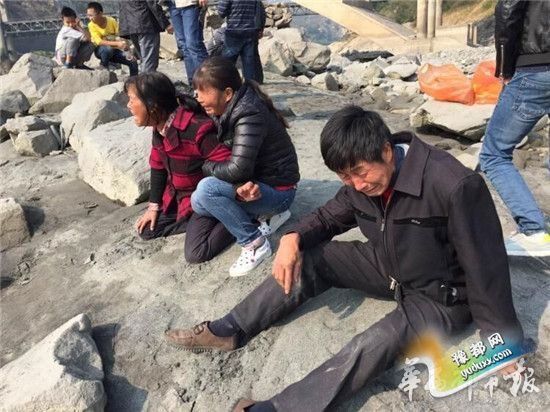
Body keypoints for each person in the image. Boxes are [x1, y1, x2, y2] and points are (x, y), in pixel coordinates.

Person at [165, 106, 524, 411]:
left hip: (440, 296)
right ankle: (229, 330)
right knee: (310, 257)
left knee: (373, 342)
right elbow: (327, 218)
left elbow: (486, 266)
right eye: (345, 176)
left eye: (360, 173)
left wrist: (501, 340)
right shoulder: (359, 181)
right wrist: (291, 237)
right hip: (388, 266)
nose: (357, 184)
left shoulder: (453, 184)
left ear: (386, 150)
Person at [191, 57, 299, 276]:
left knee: (206, 190)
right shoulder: (232, 106)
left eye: (204, 91)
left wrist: (206, 166)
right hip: (260, 183)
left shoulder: (248, 114)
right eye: (196, 91)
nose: (198, 97)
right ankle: (271, 215)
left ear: (227, 93)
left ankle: (255, 243)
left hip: (280, 191)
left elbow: (238, 169)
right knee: (198, 203)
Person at [126, 71, 235, 263]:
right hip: (180, 197)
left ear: (152, 105)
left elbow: (228, 165)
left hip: (204, 199)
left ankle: (242, 218)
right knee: (148, 230)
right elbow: (157, 166)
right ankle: (194, 222)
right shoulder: (160, 127)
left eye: (132, 100)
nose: (128, 105)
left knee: (196, 253)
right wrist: (153, 207)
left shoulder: (196, 128)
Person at [479, 0, 550, 257]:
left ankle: (534, 231)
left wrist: (505, 67)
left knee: (494, 155)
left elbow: (508, 9)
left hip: (536, 66)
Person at [118, 0, 173, 73]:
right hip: (145, 24)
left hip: (131, 26)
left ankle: (143, 78)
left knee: (144, 60)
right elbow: (152, 3)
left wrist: (123, 29)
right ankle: (146, 79)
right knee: (149, 62)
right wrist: (166, 23)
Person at [217, 0, 264, 82]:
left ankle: (225, 84)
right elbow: (260, 11)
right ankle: (250, 87)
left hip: (234, 31)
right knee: (249, 63)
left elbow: (221, 12)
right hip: (250, 31)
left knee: (227, 63)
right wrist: (260, 28)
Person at [86, 2, 138, 76]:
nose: (90, 18)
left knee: (133, 61)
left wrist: (127, 50)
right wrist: (117, 43)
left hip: (115, 51)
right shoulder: (91, 25)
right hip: (101, 51)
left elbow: (120, 35)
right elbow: (99, 41)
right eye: (88, 15)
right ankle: (104, 65)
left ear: (100, 13)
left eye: (91, 15)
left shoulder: (111, 21)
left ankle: (134, 79)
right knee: (107, 49)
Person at [168, 0, 209, 84]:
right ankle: (192, 83)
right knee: (183, 46)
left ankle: (205, 82)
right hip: (173, 4)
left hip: (189, 4)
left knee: (193, 44)